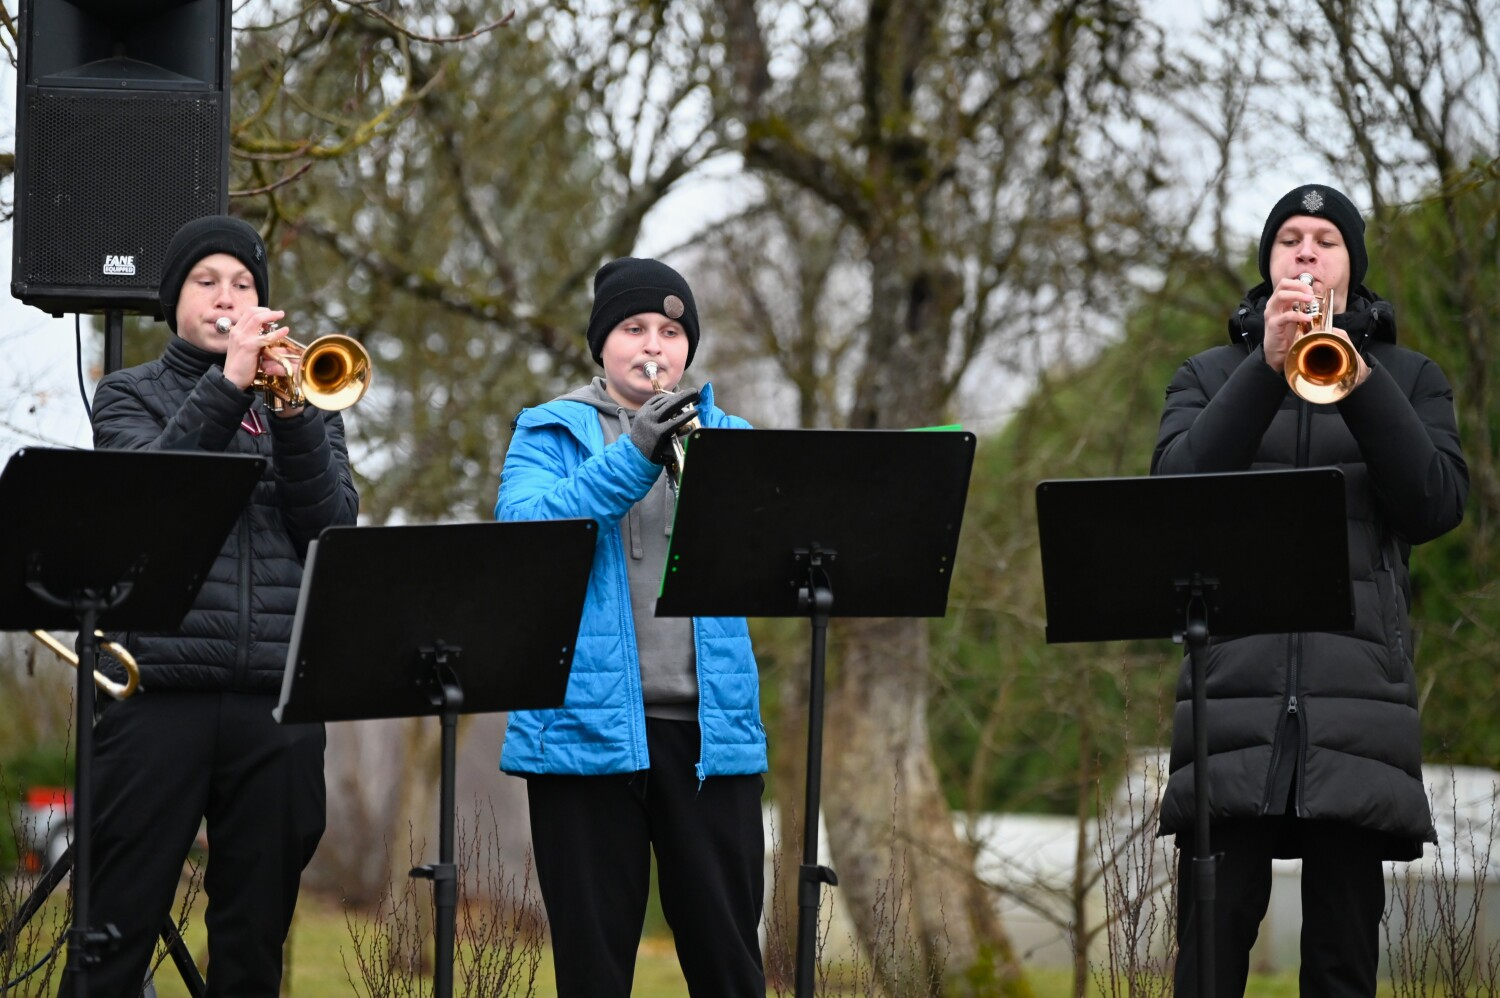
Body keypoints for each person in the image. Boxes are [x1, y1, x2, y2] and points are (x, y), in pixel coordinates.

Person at [1151, 184, 1468, 996]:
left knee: (1339, 969)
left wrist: (1361, 383)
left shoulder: (1412, 376)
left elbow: (1434, 503)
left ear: (1351, 266)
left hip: (1358, 716)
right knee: (1208, 967)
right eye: (1288, 237)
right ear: (1267, 261)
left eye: (1325, 239)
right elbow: (1170, 496)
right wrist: (1261, 372)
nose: (1304, 251)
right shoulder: (1207, 374)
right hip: (1233, 711)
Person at [67, 215, 359, 996]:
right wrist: (228, 383)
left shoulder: (308, 404)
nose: (228, 297)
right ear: (174, 302)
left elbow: (330, 529)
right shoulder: (128, 394)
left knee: (254, 941)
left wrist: (295, 418)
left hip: (276, 701)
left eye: (244, 284)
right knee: (113, 931)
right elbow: (148, 504)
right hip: (158, 691)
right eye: (208, 282)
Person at [495, 257, 767, 997]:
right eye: (634, 328)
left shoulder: (729, 433)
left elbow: (767, 554)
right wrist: (633, 455)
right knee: (593, 971)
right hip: (587, 733)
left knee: (731, 966)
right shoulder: (547, 430)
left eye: (672, 333)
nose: (654, 346)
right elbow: (524, 533)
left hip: (712, 736)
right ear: (601, 343)